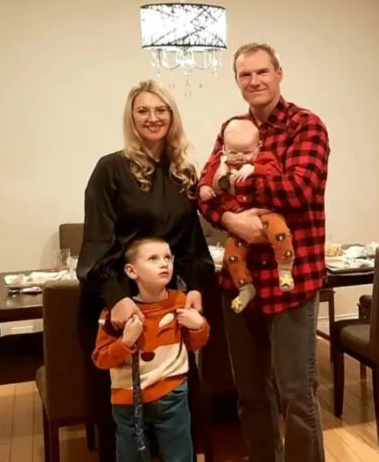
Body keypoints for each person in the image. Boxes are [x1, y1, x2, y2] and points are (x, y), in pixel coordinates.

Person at [198, 42, 329, 462]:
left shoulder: (306, 126)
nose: (254, 81)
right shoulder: (231, 128)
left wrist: (234, 185)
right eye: (244, 75)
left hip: (294, 279)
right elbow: (201, 193)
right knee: (251, 395)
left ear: (278, 73)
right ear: (237, 81)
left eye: (261, 72)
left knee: (296, 395)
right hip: (241, 282)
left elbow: (299, 190)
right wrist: (232, 220)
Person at [77, 79, 216, 461]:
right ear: (131, 117)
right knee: (124, 410)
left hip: (167, 300)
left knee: (174, 401)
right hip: (120, 299)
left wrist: (196, 285)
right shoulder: (111, 169)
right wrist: (115, 298)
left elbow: (190, 242)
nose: (152, 118)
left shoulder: (183, 172)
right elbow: (96, 241)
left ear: (172, 116)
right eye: (143, 110)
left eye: (161, 110)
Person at [92, 236, 210, 462]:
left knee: (180, 456)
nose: (164, 263)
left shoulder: (180, 302)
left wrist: (199, 326)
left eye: (168, 257)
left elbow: (195, 344)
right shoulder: (116, 314)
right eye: (153, 258)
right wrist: (125, 343)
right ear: (131, 271)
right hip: (127, 401)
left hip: (173, 395)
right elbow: (101, 359)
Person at [198, 117, 296, 313]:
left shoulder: (264, 159)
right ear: (224, 149)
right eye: (233, 152)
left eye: (246, 152)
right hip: (238, 220)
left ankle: (285, 269)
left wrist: (254, 168)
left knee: (280, 232)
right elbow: (205, 179)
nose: (240, 157)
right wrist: (205, 187)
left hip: (266, 213)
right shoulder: (220, 163)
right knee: (232, 255)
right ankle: (245, 287)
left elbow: (275, 172)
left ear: (258, 148)